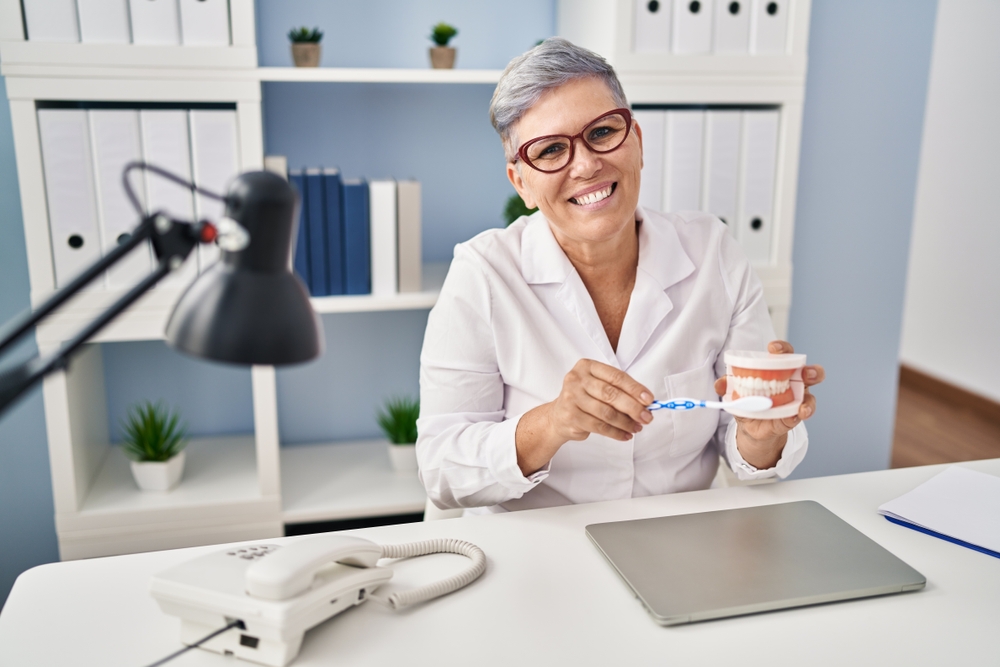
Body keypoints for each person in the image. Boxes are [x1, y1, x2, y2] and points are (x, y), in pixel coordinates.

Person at [416, 38, 825, 514]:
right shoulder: (483, 274)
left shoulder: (713, 252)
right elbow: (441, 469)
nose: (586, 165)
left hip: (676, 537)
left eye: (602, 131)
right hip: (538, 544)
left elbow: (746, 445)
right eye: (550, 150)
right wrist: (553, 422)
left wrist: (761, 434)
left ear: (637, 142)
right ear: (521, 182)